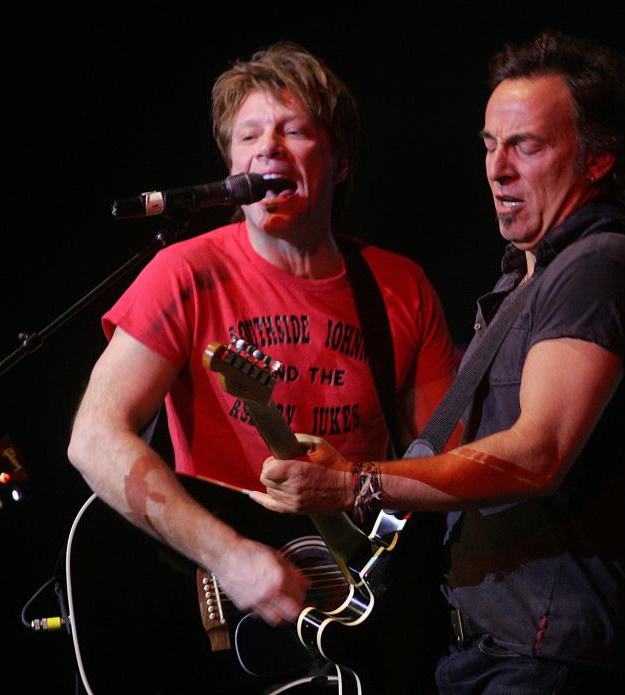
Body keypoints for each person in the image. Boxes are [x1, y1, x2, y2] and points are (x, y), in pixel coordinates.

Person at [254, 32, 625, 694]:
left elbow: (536, 454)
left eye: (526, 146)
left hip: (546, 661)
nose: (497, 169)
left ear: (598, 160)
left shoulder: (598, 269)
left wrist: (359, 481)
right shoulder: (528, 278)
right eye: (489, 145)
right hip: (492, 654)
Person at [67, 42, 458, 690]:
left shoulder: (399, 288)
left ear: (339, 161)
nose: (267, 149)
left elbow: (453, 470)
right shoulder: (186, 273)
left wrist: (360, 486)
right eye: (249, 135)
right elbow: (93, 437)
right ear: (230, 166)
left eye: (295, 131)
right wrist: (230, 555)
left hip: (349, 612)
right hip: (217, 616)